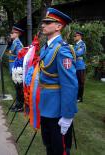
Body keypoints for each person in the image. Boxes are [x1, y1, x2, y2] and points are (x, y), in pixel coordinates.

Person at [39, 8, 78, 155]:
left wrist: (67, 115)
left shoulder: (62, 50)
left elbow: (70, 85)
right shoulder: (47, 47)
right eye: (43, 22)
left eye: (48, 22)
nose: (43, 25)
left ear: (58, 26)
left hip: (57, 111)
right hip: (46, 106)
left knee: (59, 150)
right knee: (48, 145)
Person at [9, 24, 24, 112]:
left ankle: (19, 106)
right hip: (13, 67)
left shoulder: (18, 44)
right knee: (16, 88)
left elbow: (19, 57)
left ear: (17, 34)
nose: (11, 34)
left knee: (18, 88)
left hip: (16, 68)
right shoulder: (15, 42)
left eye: (12, 33)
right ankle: (17, 104)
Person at [74, 31, 86, 102]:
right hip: (75, 65)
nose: (74, 37)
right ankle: (76, 96)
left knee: (81, 82)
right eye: (74, 36)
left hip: (80, 66)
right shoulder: (76, 45)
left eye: (76, 36)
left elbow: (78, 53)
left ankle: (80, 98)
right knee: (76, 82)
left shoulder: (82, 44)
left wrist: (71, 50)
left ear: (80, 36)